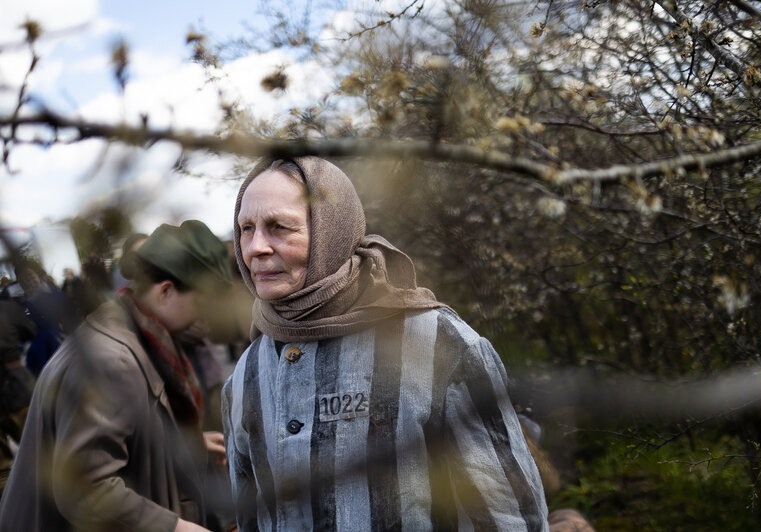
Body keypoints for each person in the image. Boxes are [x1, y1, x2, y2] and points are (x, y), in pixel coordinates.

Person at [222, 157, 549, 530]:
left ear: (333, 231)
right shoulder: (246, 373)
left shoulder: (438, 343)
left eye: (279, 227)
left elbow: (508, 516)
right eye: (246, 229)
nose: (255, 248)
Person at [0, 220, 232, 532]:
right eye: (202, 303)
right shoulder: (113, 360)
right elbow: (85, 489)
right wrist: (175, 527)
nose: (204, 316)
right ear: (166, 292)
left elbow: (125, 436)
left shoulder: (130, 331)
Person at [0, 298, 37, 499]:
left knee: (2, 471)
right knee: (41, 452)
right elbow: (30, 330)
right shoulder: (8, 307)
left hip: (14, 385)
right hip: (17, 385)